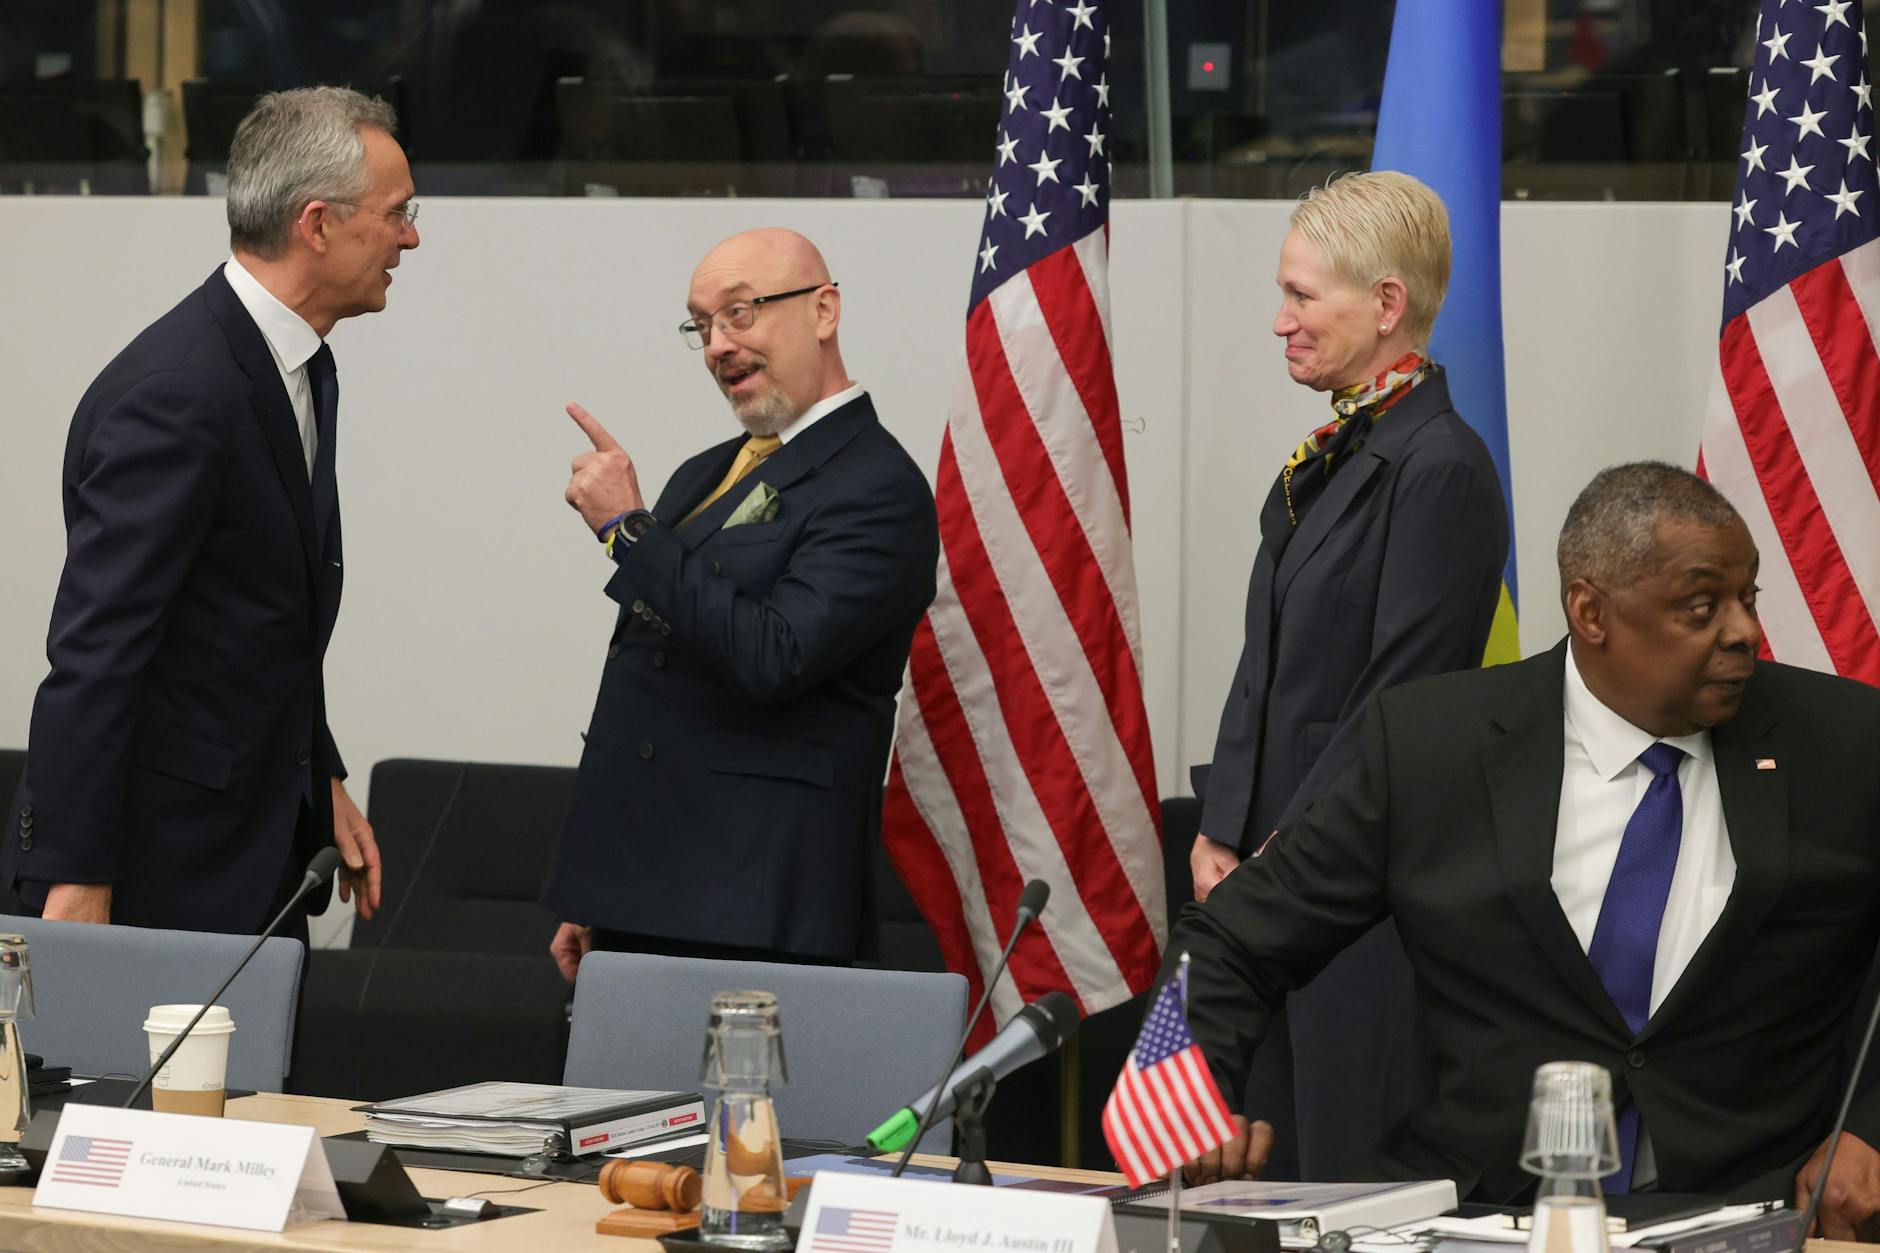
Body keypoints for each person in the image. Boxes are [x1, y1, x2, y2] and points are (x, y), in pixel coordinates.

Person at [1176, 463, 1880, 1237]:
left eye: (1747, 597)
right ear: (1591, 611)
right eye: (1701, 605)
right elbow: (1233, 937)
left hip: (1756, 1212)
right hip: (1483, 1211)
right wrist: (1189, 1094)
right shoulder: (1432, 747)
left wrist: (1871, 1127)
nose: (1743, 630)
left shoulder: (1845, 745)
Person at [2, 86, 415, 936]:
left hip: (256, 851)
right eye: (398, 214)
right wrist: (74, 876)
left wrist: (319, 774)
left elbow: (251, 619)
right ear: (318, 223)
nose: (410, 238)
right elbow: (99, 651)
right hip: (163, 874)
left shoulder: (297, 364)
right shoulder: (179, 396)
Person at [1190, 170, 1508, 1176]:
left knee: (1334, 1172)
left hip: (1346, 891)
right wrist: (1219, 824)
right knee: (1237, 1170)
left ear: (1383, 305)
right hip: (1257, 881)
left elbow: (1397, 697)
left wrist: (1285, 854)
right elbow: (1266, 664)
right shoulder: (1333, 450)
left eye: (1299, 295)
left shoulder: (1441, 465)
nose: (1277, 322)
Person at [543, 227, 939, 977]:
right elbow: (659, 675)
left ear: (824, 311)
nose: (718, 344)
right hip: (644, 894)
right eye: (701, 325)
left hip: (756, 911)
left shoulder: (878, 487)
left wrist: (631, 532)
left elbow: (773, 655)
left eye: (741, 313)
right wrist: (600, 883)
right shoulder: (706, 470)